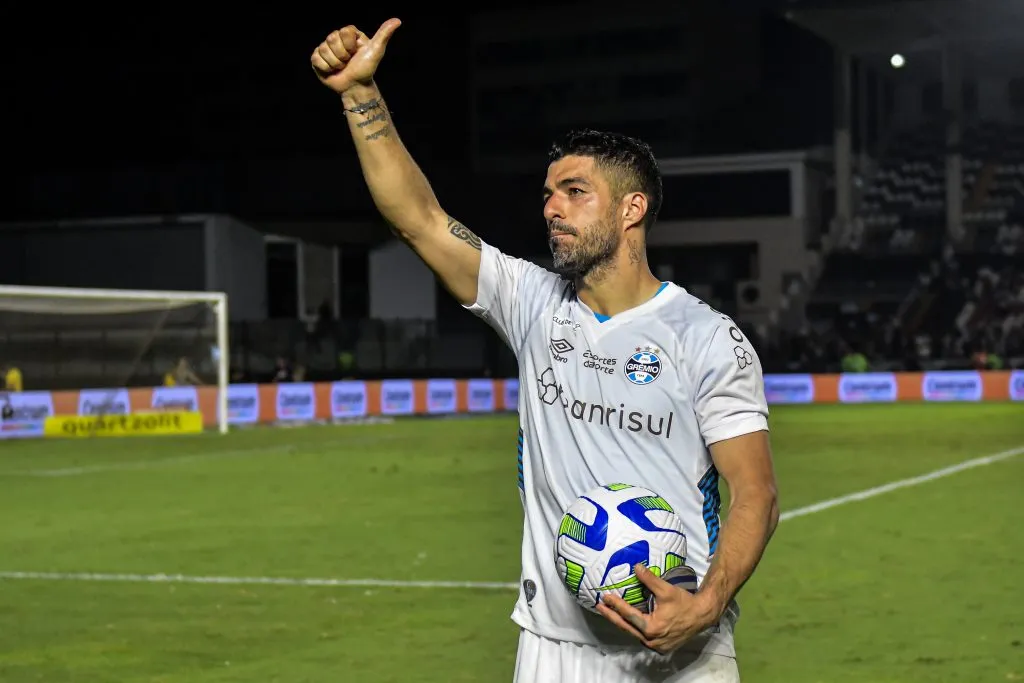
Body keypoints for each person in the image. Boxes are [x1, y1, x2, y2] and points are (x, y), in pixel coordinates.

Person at [311, 18, 780, 682]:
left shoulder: (705, 337)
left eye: (574, 192)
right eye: (548, 194)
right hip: (553, 649)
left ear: (631, 209)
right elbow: (418, 220)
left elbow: (756, 491)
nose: (552, 208)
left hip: (680, 647)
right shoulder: (532, 302)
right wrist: (360, 95)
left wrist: (706, 605)